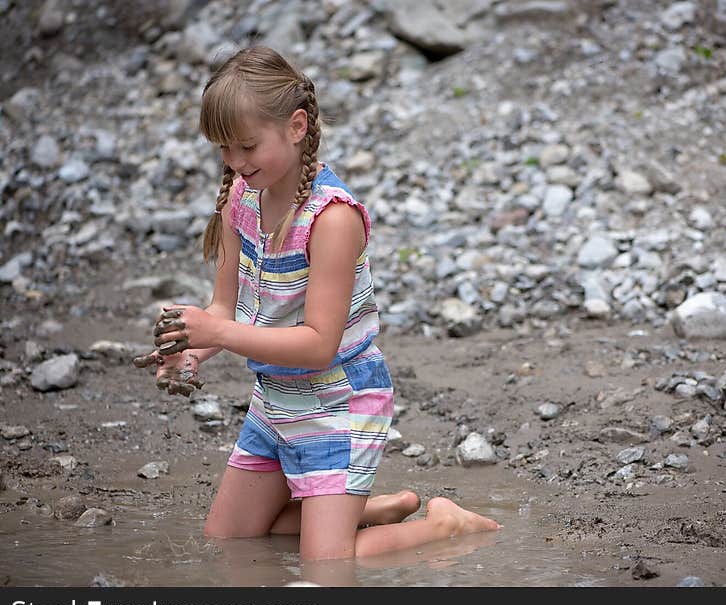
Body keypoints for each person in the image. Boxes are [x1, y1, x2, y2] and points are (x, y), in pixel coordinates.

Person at [134, 45, 500, 562]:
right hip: (276, 401)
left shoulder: (332, 219)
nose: (235, 164)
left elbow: (319, 345)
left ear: (297, 126)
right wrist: (192, 348)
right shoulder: (241, 200)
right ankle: (366, 508)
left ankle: (444, 525)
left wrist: (216, 335)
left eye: (245, 147)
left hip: (338, 404)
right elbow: (223, 310)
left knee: (328, 564)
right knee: (230, 541)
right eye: (223, 150)